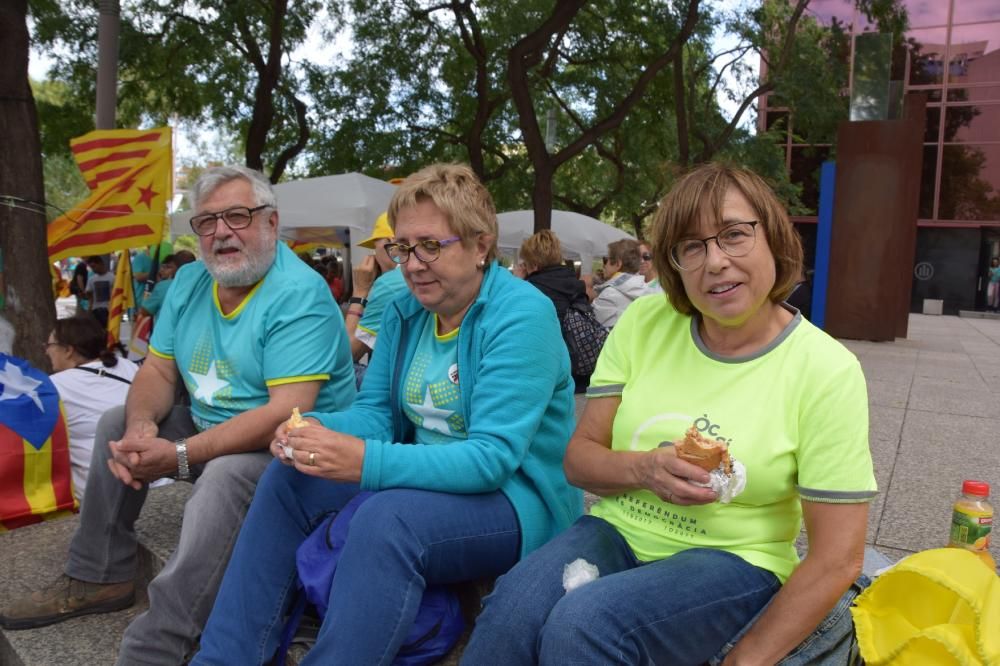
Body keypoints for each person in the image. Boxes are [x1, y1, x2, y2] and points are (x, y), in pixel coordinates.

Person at [462, 162, 877, 665]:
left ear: (774, 237)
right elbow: (579, 460)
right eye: (692, 246)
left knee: (585, 625)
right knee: (511, 610)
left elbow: (838, 558)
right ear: (674, 263)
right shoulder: (644, 322)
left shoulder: (826, 369)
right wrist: (643, 468)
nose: (716, 261)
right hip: (617, 531)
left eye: (734, 235)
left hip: (736, 559)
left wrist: (745, 660)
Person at [190, 163, 582, 665]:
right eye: (402, 248)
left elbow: (492, 459)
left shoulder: (522, 314)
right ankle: (223, 658)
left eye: (431, 246)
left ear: (481, 246)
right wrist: (311, 431)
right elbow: (375, 413)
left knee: (385, 521)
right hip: (425, 480)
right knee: (287, 479)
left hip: (518, 501)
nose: (413, 264)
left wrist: (362, 461)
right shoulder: (401, 302)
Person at [0, 165, 358, 666]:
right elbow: (157, 374)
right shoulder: (190, 281)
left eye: (238, 216)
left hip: (296, 450)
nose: (221, 233)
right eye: (207, 222)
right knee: (114, 422)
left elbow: (286, 411)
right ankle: (99, 575)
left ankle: (162, 641)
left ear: (272, 224)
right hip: (217, 428)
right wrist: (144, 427)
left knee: (228, 475)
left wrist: (181, 456)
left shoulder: (299, 293)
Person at [45, 317, 140, 502]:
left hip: (100, 494)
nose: (46, 351)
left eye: (49, 345)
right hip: (153, 480)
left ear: (68, 350)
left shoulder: (54, 387)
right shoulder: (128, 367)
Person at [517, 229, 593, 393]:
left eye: (525, 263)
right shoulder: (576, 284)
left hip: (542, 373)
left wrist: (517, 281)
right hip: (578, 371)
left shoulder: (529, 289)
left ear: (534, 265)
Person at [346, 212, 409, 362]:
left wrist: (360, 292)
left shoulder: (389, 285)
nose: (373, 256)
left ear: (392, 244)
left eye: (375, 248)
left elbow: (348, 355)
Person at [591, 238, 647, 327]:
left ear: (618, 264)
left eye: (606, 260)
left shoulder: (609, 294)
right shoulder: (646, 288)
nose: (604, 265)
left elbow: (596, 329)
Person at [138, 251, 197, 318]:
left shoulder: (163, 286)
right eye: (163, 267)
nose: (163, 270)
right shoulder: (200, 285)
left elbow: (145, 311)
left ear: (176, 267)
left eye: (169, 267)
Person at [83, 255, 114, 329]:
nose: (93, 269)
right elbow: (90, 297)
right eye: (91, 267)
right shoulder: (92, 279)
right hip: (96, 310)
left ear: (101, 264)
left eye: (94, 266)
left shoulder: (112, 277)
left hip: (108, 309)